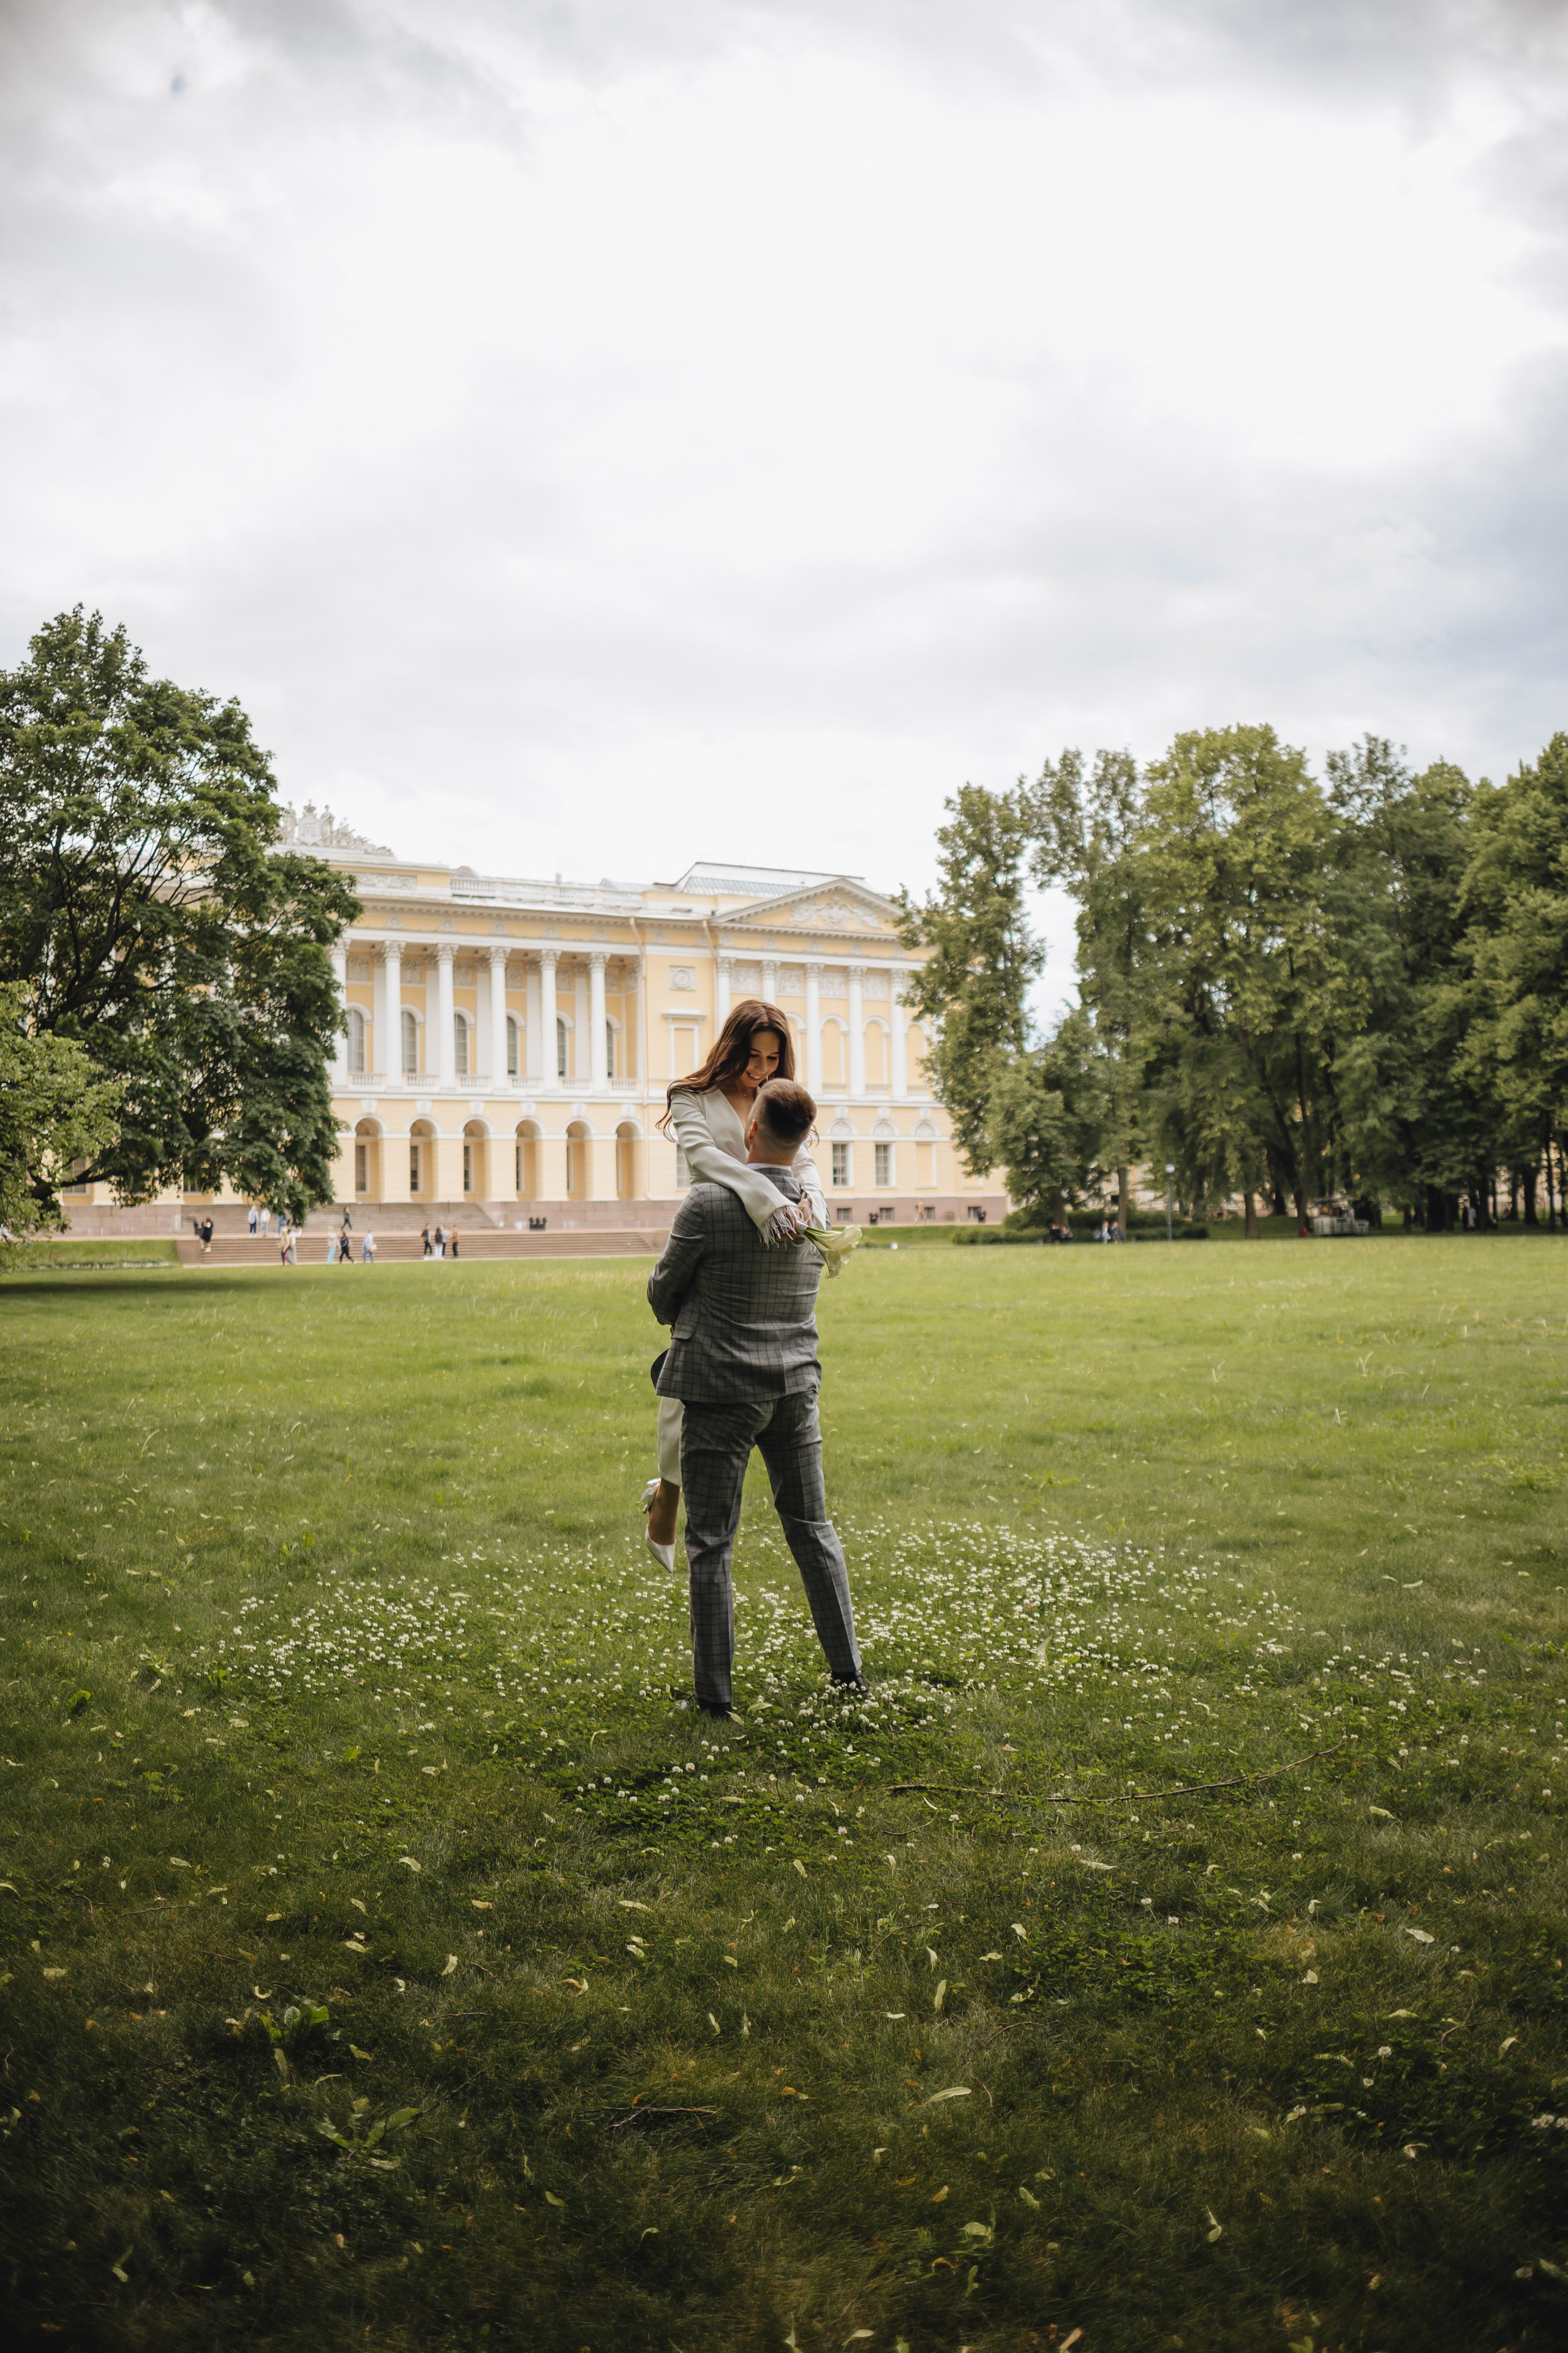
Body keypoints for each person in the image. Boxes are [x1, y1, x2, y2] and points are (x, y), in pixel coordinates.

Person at [646, 1076, 864, 1720]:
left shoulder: (709, 1204)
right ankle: (848, 1672)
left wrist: (698, 1303)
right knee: (813, 1530)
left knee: (711, 1542)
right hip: (794, 1387)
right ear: (803, 1139)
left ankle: (715, 1697)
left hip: (718, 1389)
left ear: (750, 1130)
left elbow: (661, 1297)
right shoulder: (815, 1214)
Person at [642, 999, 827, 1573]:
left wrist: (813, 1204)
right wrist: (769, 1198)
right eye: (753, 1056)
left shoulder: (776, 1096)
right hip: (713, 1243)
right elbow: (703, 1159)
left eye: (773, 1058)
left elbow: (805, 1161)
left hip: (771, 1253)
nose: (762, 1069)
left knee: (688, 1373)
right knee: (686, 1374)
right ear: (732, 1047)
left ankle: (668, 1495)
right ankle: (669, 1495)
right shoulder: (690, 1097)